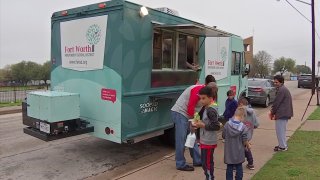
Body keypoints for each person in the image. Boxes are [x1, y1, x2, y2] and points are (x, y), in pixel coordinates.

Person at [171, 76, 216, 171]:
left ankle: (197, 160)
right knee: (181, 139)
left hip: (188, 115)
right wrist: (196, 121)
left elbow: (206, 108)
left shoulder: (207, 94)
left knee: (192, 137)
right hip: (180, 112)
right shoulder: (198, 91)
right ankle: (180, 163)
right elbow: (190, 107)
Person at [192, 86, 222, 180]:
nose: (201, 101)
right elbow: (205, 121)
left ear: (210, 98)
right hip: (205, 140)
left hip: (209, 141)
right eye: (200, 98)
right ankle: (208, 177)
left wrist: (203, 125)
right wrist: (198, 124)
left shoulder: (211, 110)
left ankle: (210, 178)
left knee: (207, 162)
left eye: (203, 98)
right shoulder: (206, 107)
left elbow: (216, 126)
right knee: (205, 162)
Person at [222, 107, 250, 180]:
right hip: (239, 151)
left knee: (229, 167)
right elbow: (245, 139)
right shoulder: (243, 127)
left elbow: (223, 135)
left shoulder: (227, 125)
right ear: (242, 116)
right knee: (239, 166)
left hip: (229, 151)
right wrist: (248, 145)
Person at [270, 75, 293, 152]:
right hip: (284, 113)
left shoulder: (281, 90)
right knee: (281, 131)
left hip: (282, 113)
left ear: (281, 82)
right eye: (274, 82)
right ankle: (282, 145)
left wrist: (272, 112)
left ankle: (282, 147)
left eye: (276, 82)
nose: (275, 83)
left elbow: (276, 103)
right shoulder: (282, 89)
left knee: (280, 131)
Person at [238, 98, 259, 170]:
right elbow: (256, 124)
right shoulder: (253, 112)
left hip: (240, 134)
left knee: (239, 148)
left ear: (241, 104)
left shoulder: (240, 111)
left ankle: (237, 164)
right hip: (249, 134)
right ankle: (250, 163)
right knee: (246, 147)